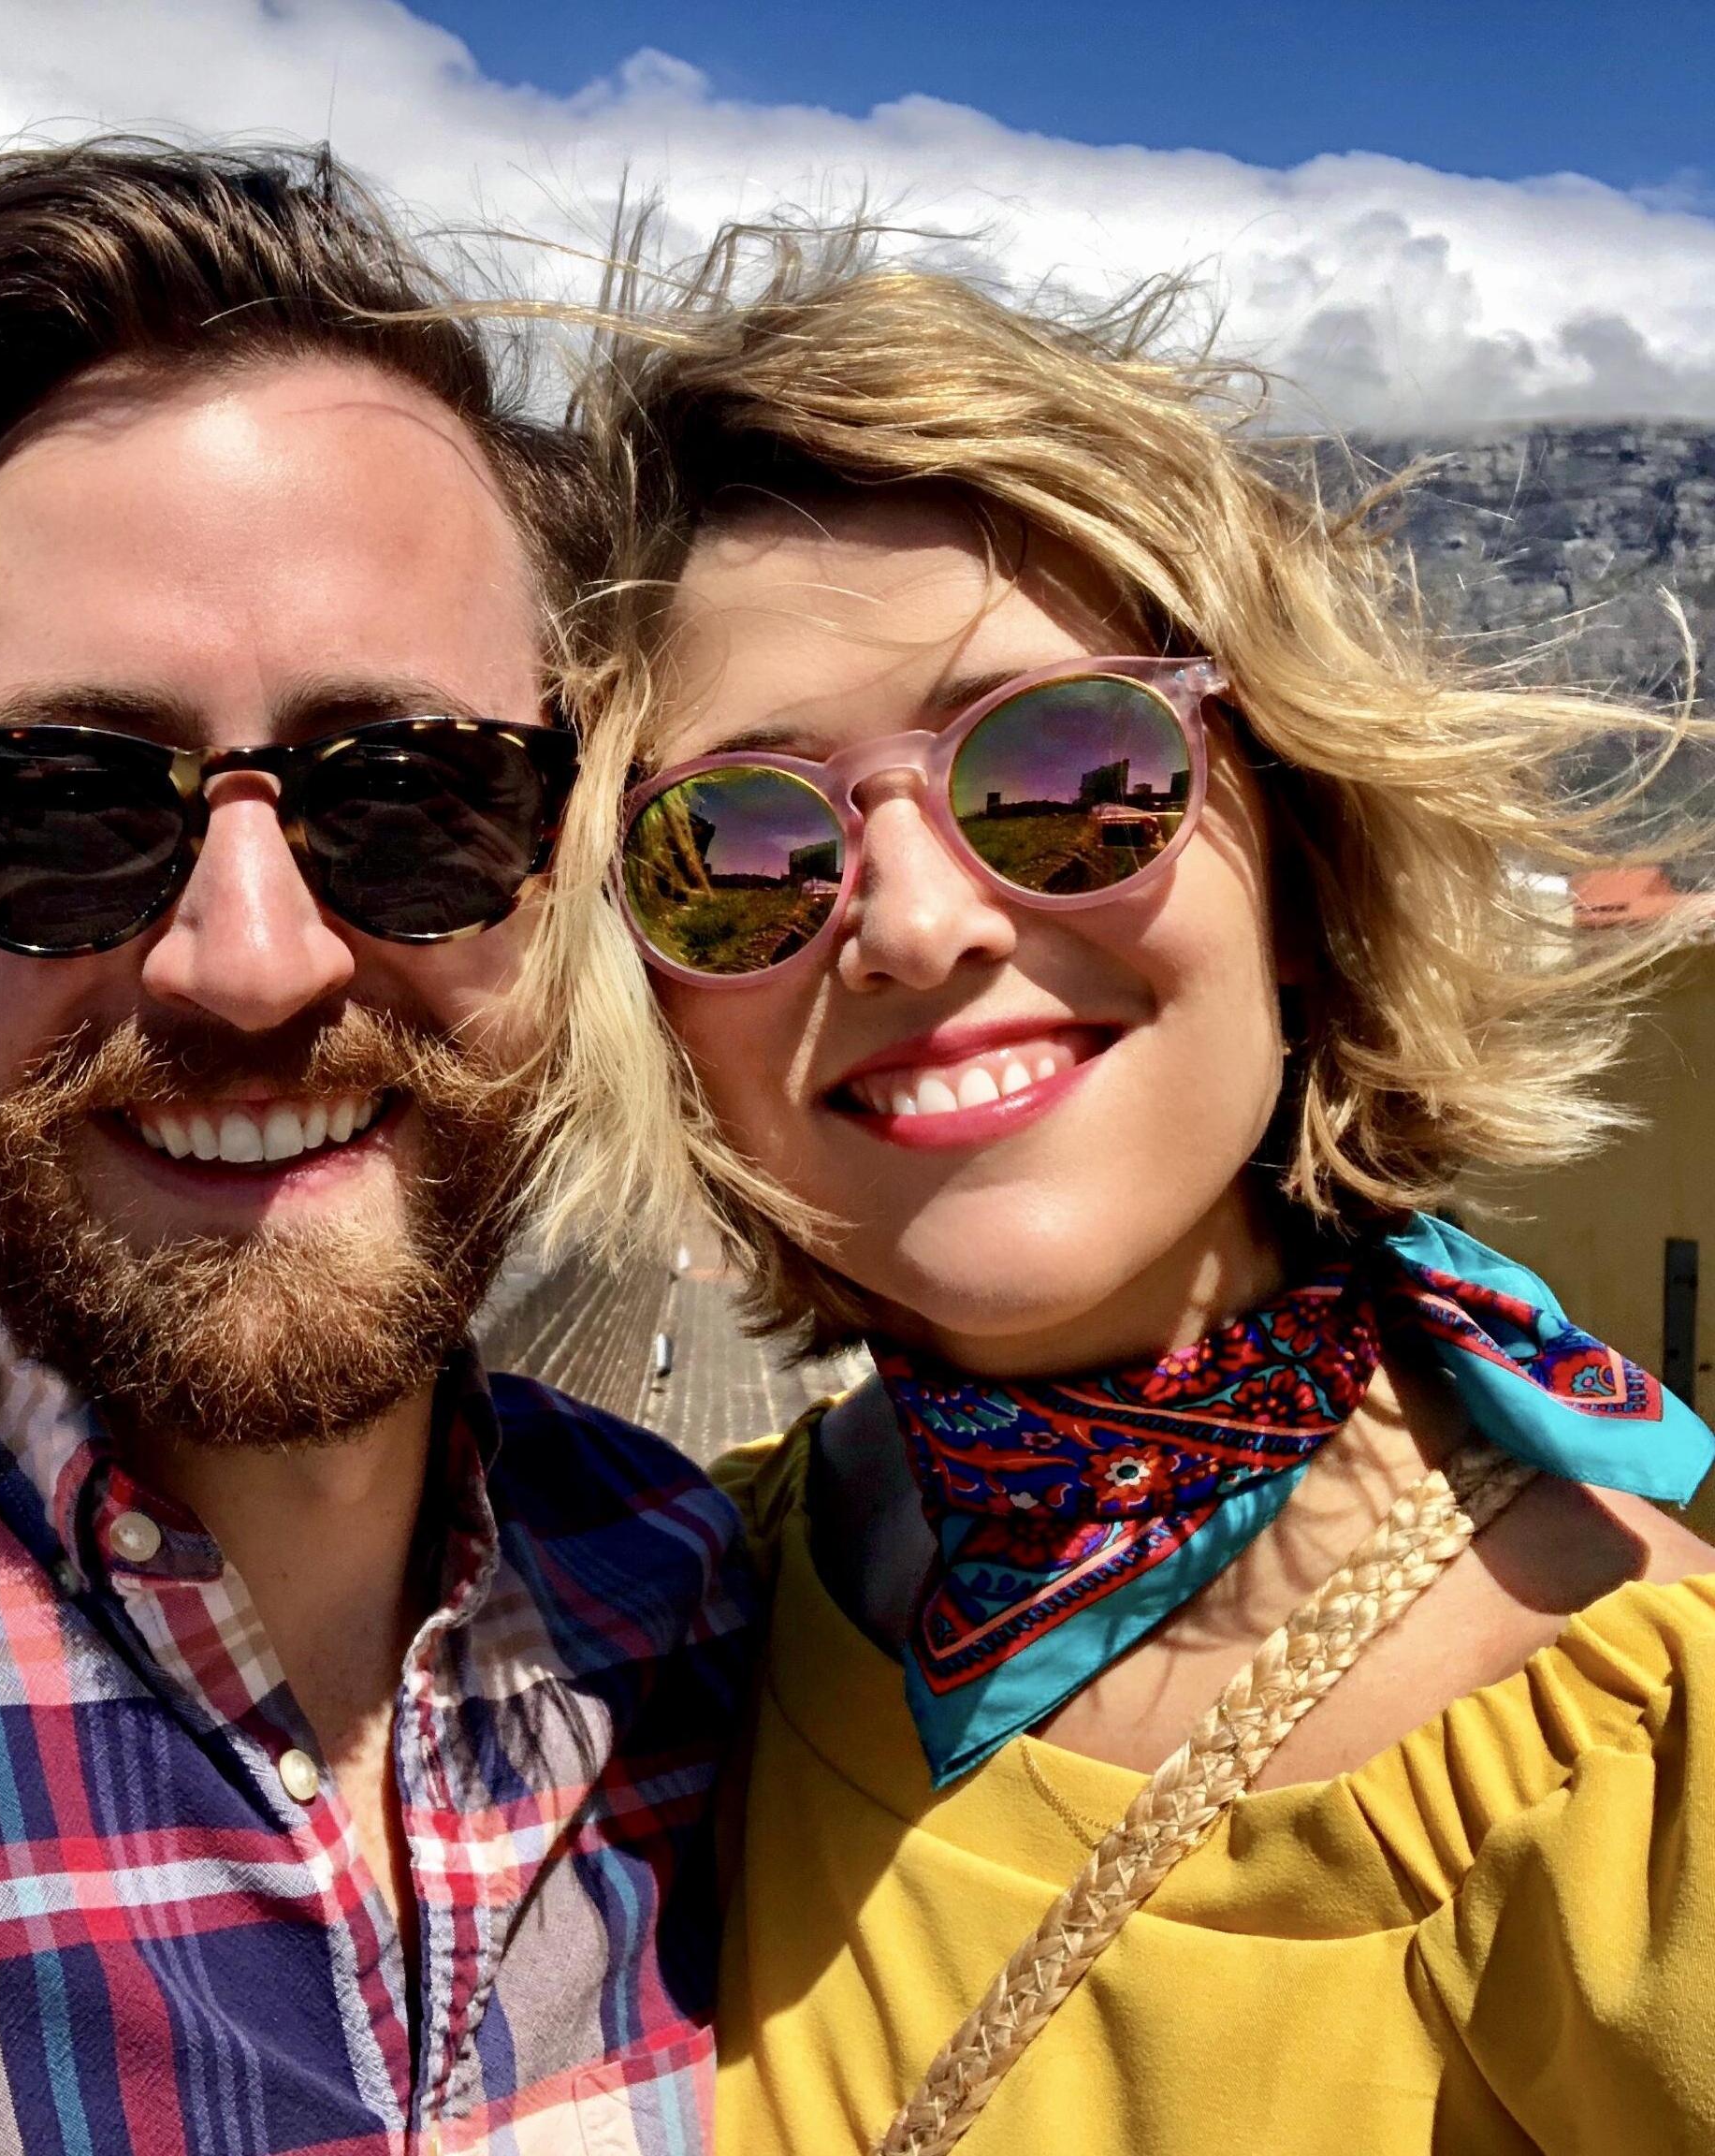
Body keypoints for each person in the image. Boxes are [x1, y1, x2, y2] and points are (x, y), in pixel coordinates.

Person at [0, 145, 752, 2155]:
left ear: (555, 861)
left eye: (415, 796)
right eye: (57, 806)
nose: (254, 962)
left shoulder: (707, 1621)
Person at [536, 234, 1715, 2152]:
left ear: (1305, 851)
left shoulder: (1629, 1747)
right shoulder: (676, 1610)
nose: (912, 925)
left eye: (1068, 762)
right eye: (743, 843)